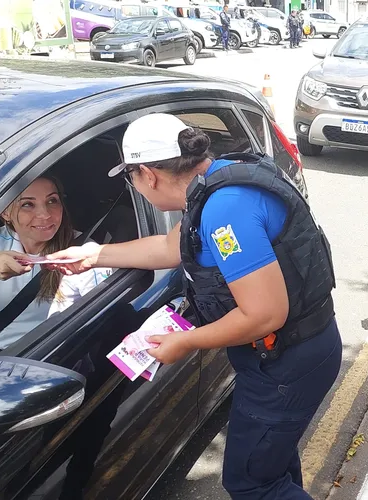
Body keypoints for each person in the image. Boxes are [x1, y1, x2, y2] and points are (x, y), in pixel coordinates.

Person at [47, 113, 342, 499]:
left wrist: (185, 342)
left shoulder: (225, 211)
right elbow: (171, 248)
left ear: (148, 175)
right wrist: (95, 254)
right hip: (286, 352)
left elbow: (265, 314)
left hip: (286, 364)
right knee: (272, 465)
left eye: (131, 178)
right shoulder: (215, 180)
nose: (135, 187)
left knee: (252, 483)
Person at [0, 176, 113, 351]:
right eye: (28, 204)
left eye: (52, 201)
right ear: (6, 213)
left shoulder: (82, 254)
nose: (45, 214)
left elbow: (104, 322)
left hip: (39, 359)